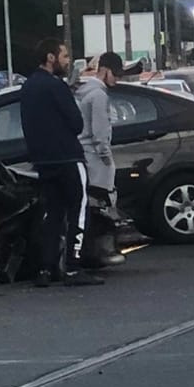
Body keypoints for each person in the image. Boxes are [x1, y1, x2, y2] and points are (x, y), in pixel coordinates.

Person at [20, 37, 99, 287]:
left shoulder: (28, 87)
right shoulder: (56, 86)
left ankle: (45, 268)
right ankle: (74, 267)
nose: (67, 62)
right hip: (68, 157)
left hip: (43, 161)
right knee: (79, 209)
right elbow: (76, 123)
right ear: (51, 57)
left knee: (52, 213)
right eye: (64, 57)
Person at [74, 51, 125, 269]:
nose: (117, 79)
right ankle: (99, 252)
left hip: (82, 154)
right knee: (102, 206)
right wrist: (106, 158)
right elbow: (100, 132)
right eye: (115, 74)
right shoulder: (100, 96)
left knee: (87, 206)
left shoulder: (82, 92)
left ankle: (85, 251)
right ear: (105, 70)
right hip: (95, 159)